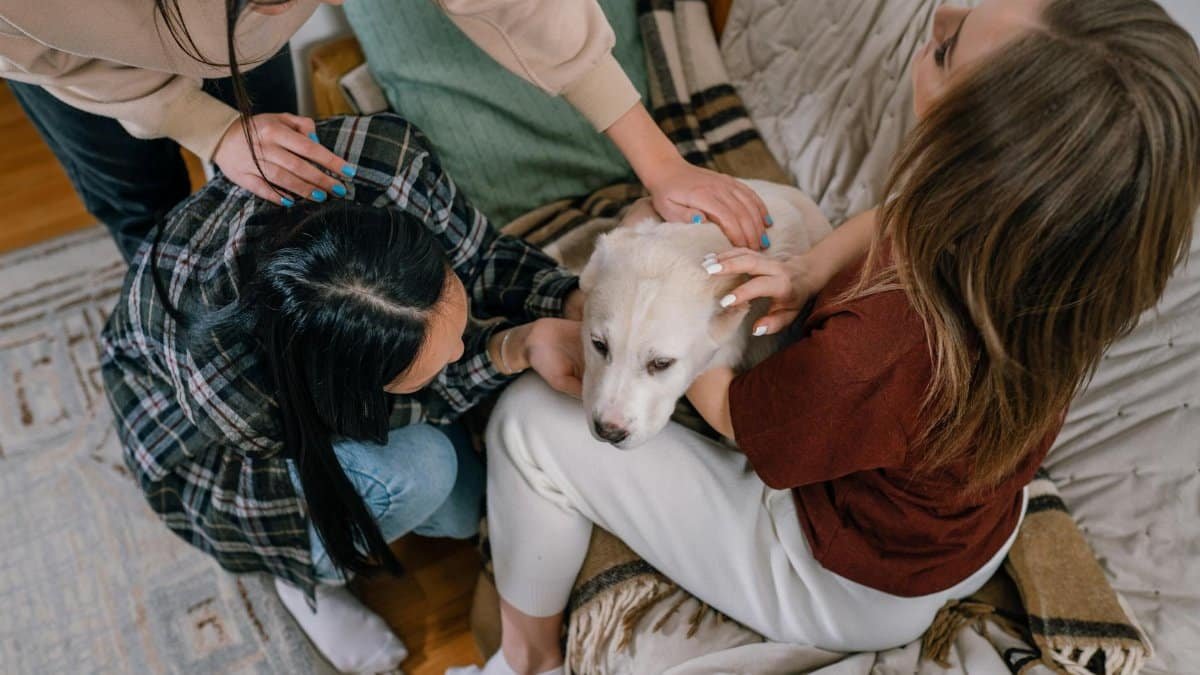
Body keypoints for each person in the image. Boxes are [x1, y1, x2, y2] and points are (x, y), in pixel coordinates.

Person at [466, 1, 1200, 673]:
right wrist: (808, 267)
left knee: (527, 423)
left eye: (946, 49)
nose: (938, 16)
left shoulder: (870, 352)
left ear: (989, 154)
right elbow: (900, 210)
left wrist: (673, 327)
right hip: (973, 532)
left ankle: (527, 655)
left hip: (847, 577)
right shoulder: (1057, 257)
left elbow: (749, 428)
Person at [100, 113, 589, 674]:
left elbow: (480, 255)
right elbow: (383, 414)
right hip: (210, 452)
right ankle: (303, 574)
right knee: (432, 475)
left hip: (298, 376)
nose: (460, 349)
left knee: (463, 509)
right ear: (349, 385)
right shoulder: (229, 387)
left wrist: (569, 298)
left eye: (452, 324)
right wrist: (509, 348)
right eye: (439, 356)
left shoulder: (387, 159)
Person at [1, 0, 769, 261]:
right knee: (148, 214)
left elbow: (525, 7)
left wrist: (659, 161)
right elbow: (39, 47)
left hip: (235, 46)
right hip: (73, 63)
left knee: (271, 187)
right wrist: (200, 124)